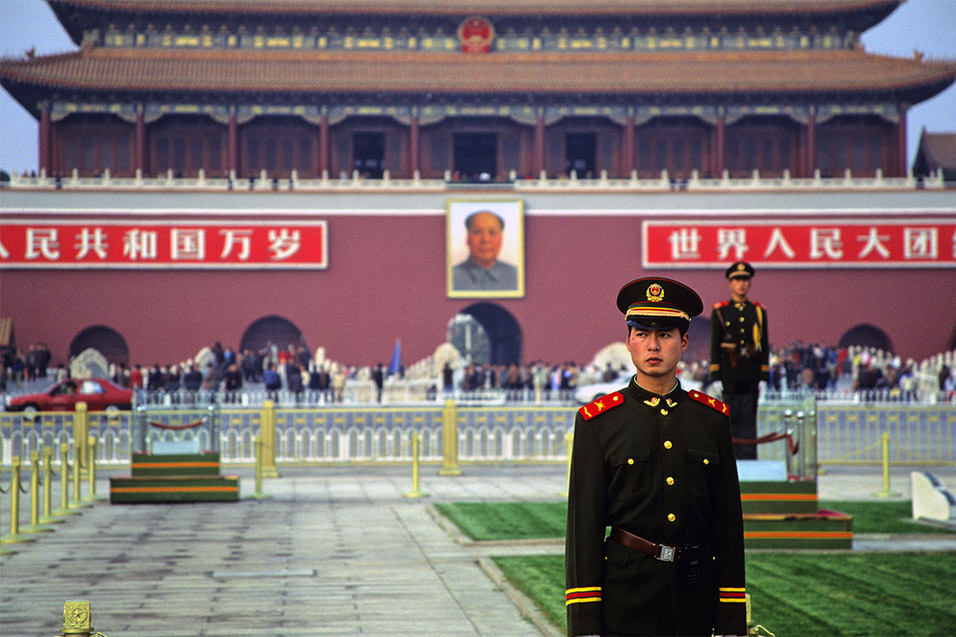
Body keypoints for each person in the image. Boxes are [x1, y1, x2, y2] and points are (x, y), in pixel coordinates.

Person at [565, 276, 746, 637]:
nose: (653, 345)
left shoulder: (711, 420)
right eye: (642, 334)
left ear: (684, 342)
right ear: (628, 342)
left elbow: (728, 525)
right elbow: (583, 531)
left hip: (695, 596)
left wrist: (731, 614)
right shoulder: (598, 422)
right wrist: (585, 624)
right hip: (625, 596)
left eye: (664, 334)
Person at [709, 262, 769, 460]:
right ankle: (730, 460)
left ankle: (749, 458)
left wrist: (763, 375)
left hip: (750, 372)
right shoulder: (721, 311)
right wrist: (716, 374)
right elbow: (715, 344)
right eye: (737, 280)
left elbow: (764, 344)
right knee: (730, 417)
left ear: (749, 283)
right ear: (730, 284)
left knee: (749, 418)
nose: (741, 284)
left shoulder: (758, 311)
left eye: (744, 280)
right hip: (729, 372)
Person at [451, 210, 519, 292]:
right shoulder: (451, 277)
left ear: (501, 239)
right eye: (477, 232)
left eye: (492, 232)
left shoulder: (517, 276)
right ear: (467, 238)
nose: (485, 239)